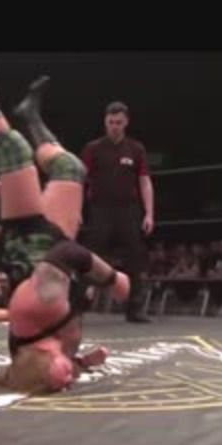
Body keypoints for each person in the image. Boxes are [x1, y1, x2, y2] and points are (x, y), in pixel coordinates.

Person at [0, 54, 130, 395]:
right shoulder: (52, 355)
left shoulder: (37, 309)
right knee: (71, 169)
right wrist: (83, 362)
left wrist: (113, 279)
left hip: (28, 238)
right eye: (68, 382)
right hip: (53, 246)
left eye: (62, 379)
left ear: (40, 363)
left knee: (13, 150)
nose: (68, 380)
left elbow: (69, 252)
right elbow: (59, 368)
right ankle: (31, 115)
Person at [79, 101, 155, 322]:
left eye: (118, 122)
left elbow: (144, 181)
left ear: (126, 122)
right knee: (91, 257)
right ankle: (78, 304)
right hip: (100, 209)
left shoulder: (136, 148)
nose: (114, 126)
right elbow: (79, 181)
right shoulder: (93, 148)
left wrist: (149, 213)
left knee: (135, 258)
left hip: (128, 210)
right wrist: (76, 210)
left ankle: (135, 309)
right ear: (105, 121)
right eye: (111, 122)